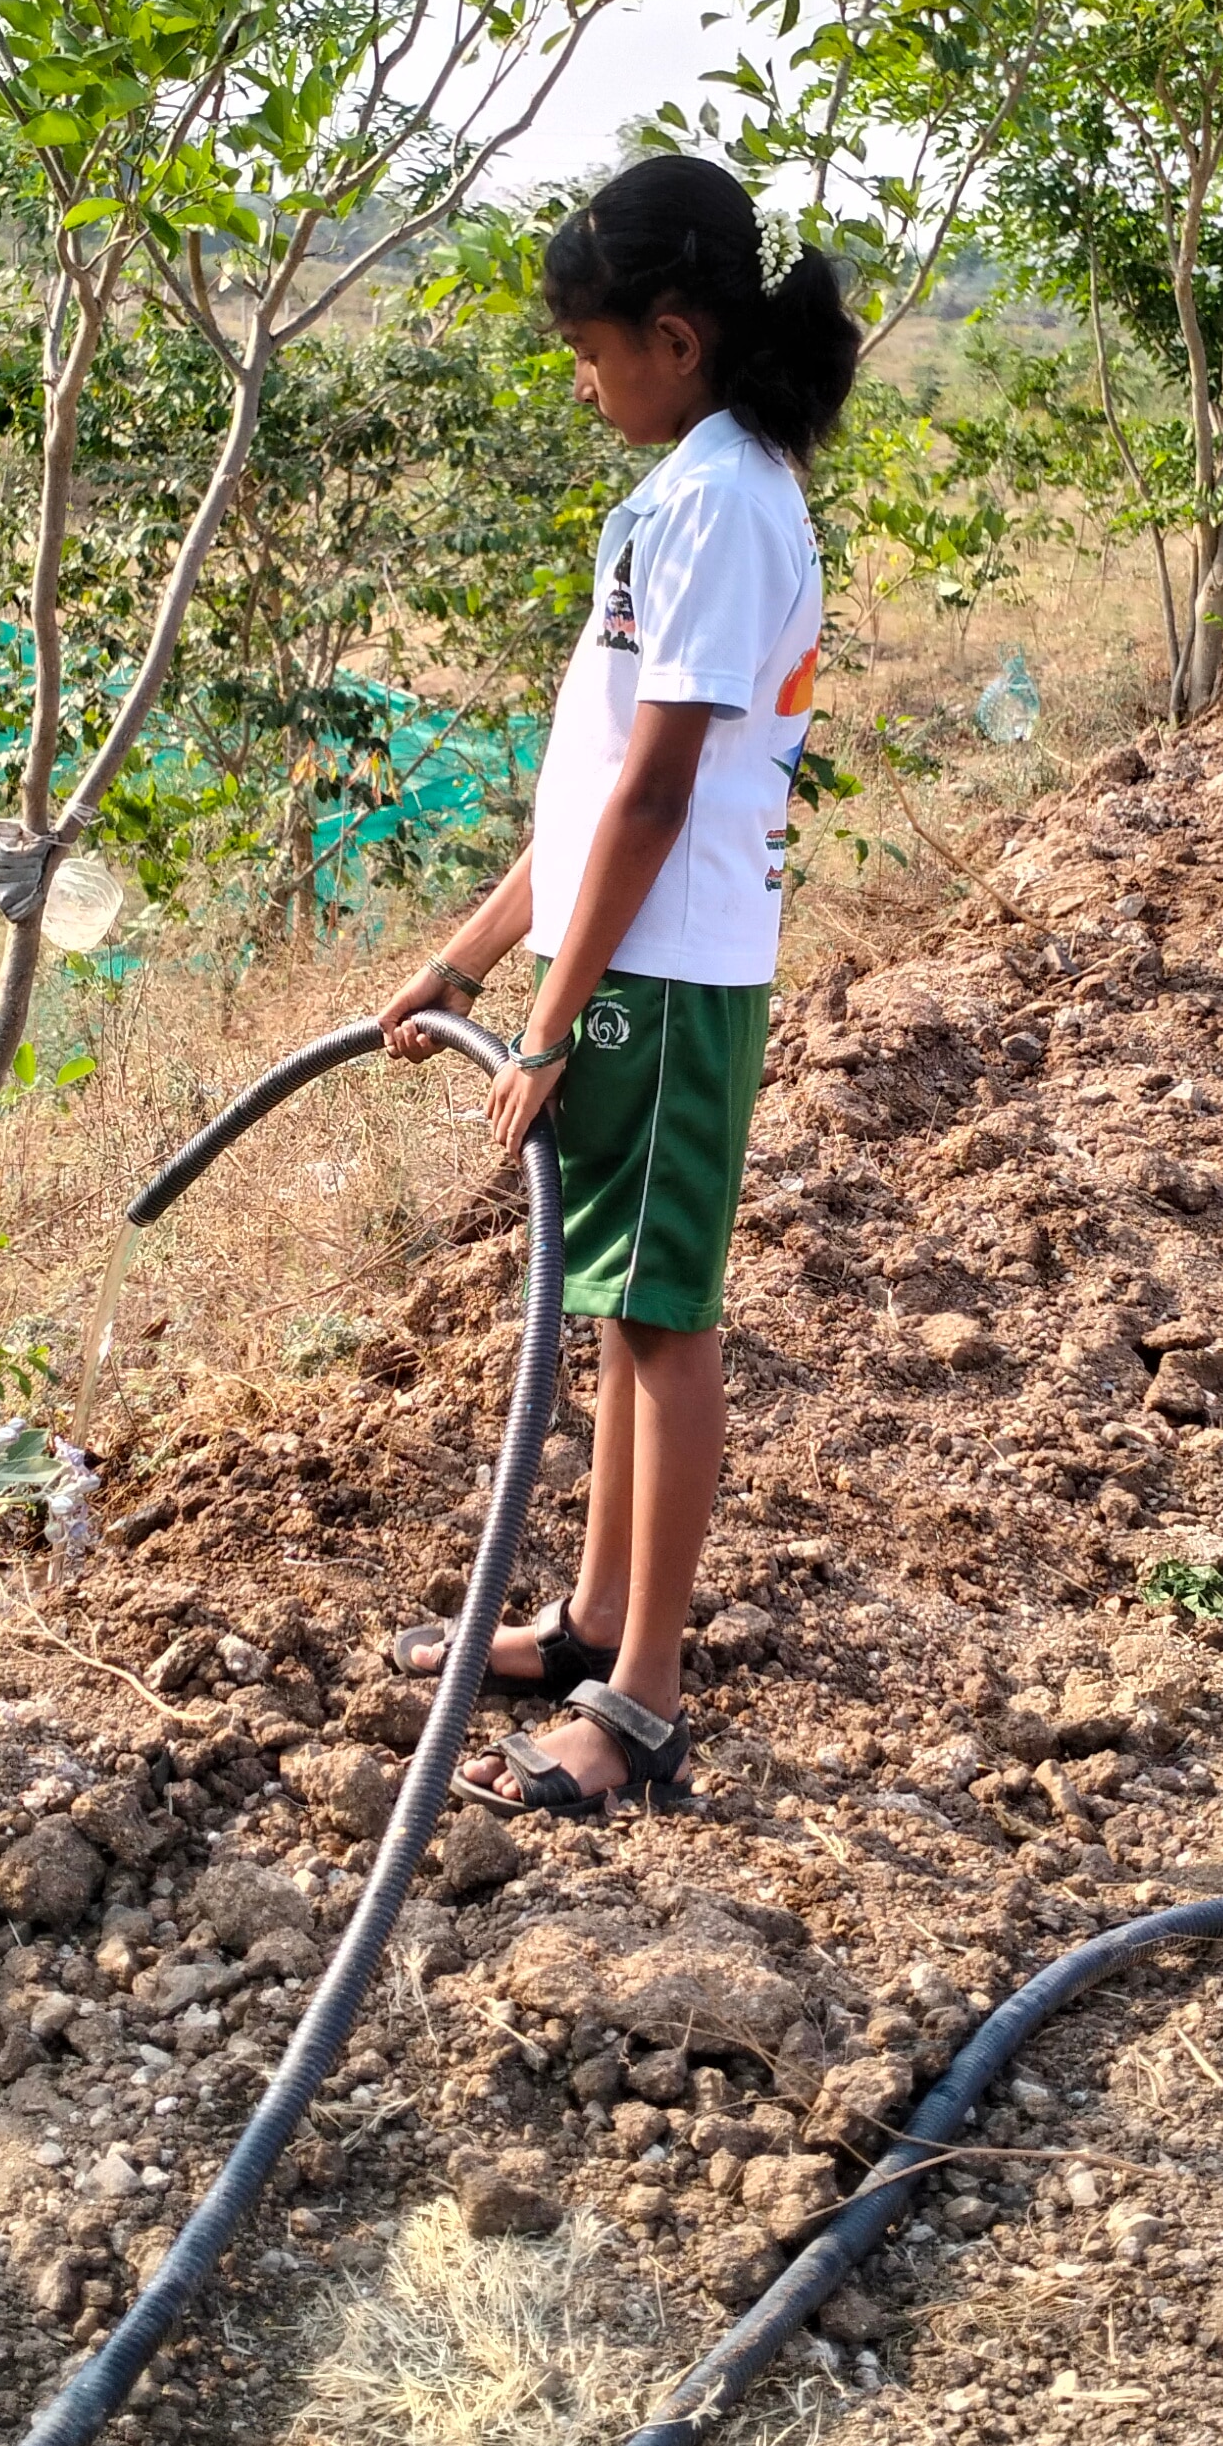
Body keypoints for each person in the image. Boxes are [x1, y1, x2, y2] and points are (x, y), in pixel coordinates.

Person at [375, 154, 857, 1815]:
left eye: (594, 357)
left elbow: (658, 797)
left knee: (663, 1327)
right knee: (626, 1316)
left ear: (678, 334)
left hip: (660, 978)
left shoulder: (726, 501)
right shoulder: (692, 487)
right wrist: (467, 958)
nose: (585, 387)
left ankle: (643, 1702)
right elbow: (590, 802)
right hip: (625, 962)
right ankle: (590, 1627)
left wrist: (556, 1018)